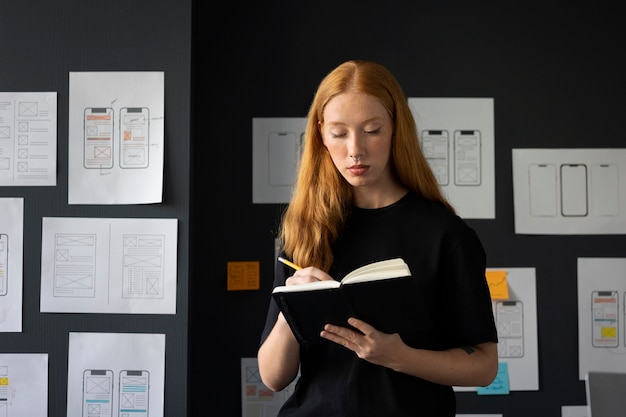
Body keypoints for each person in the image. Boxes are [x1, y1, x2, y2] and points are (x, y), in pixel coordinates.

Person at [257, 59, 499, 417]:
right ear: (321, 136)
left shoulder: (445, 235)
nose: (355, 149)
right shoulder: (306, 232)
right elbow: (273, 378)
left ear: (396, 130)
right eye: (339, 134)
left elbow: (484, 365)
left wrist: (400, 357)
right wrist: (292, 307)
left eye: (372, 130)